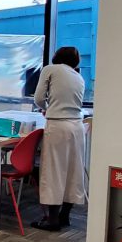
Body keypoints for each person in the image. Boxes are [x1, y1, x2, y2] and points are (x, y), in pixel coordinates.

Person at [31, 46, 88, 231]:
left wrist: (47, 107)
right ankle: (65, 216)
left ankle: (52, 220)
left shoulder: (50, 69)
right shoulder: (78, 77)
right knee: (73, 171)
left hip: (58, 125)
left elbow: (38, 98)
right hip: (77, 127)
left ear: (57, 56)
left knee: (53, 171)